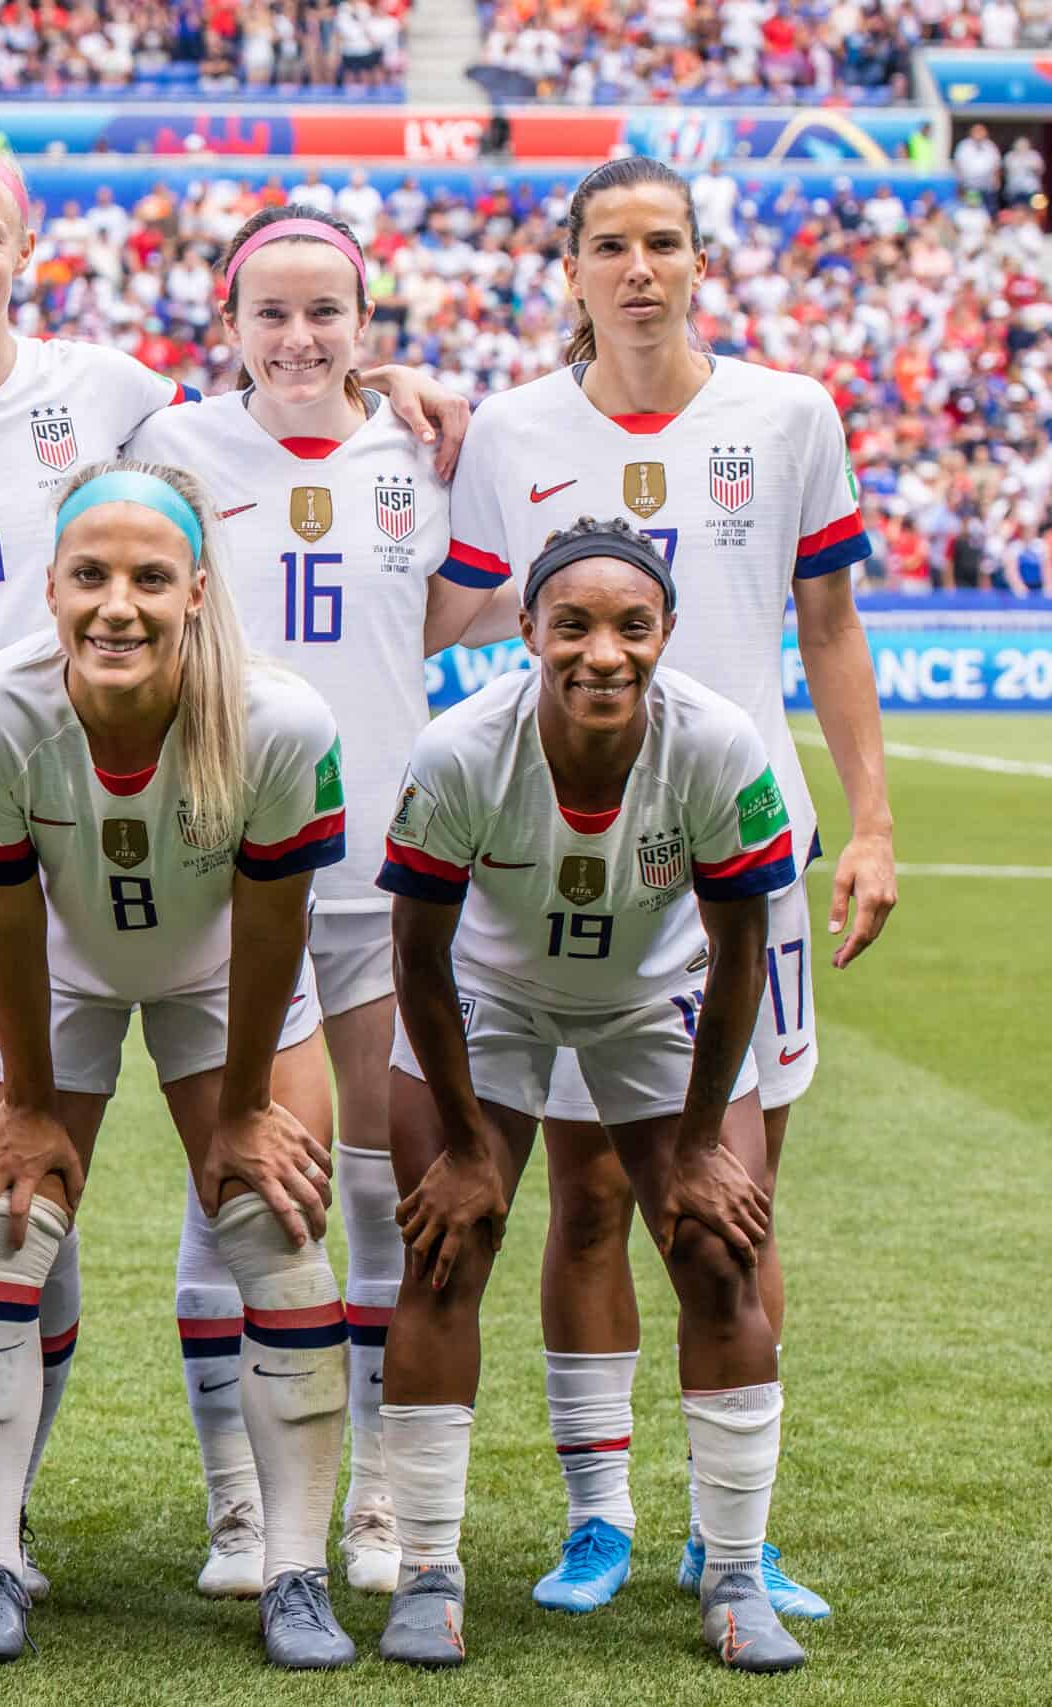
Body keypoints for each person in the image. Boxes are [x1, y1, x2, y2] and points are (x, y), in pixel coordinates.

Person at [0, 123, 470, 1597]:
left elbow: (278, 421)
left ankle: (266, 1524)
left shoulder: (121, 401)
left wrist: (383, 385)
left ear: (29, 251)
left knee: (264, 1180)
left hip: (157, 840)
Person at [445, 155, 893, 1620]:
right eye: (611, 246)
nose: (640, 267)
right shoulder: (513, 426)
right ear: (565, 268)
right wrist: (398, 442)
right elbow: (447, 595)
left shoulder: (788, 413)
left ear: (703, 261)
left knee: (736, 1200)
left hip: (743, 858)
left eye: (666, 243)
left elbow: (829, 623)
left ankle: (729, 1530)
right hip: (574, 860)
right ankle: (598, 1516)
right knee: (581, 1201)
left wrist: (871, 822)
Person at [125, 203, 505, 1600]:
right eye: (270, 313)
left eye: (325, 312)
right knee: (239, 1187)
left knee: (381, 1192)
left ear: (367, 324)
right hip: (228, 869)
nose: (298, 337)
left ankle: (382, 1507)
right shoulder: (171, 449)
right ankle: (240, 1508)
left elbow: (456, 613)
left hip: (386, 876)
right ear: (227, 324)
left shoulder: (420, 450)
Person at [0, 458, 353, 1669]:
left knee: (275, 1219)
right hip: (46, 970)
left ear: (197, 592)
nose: (118, 605)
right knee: (8, 1222)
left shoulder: (279, 721)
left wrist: (248, 1107)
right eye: (91, 576)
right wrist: (29, 1101)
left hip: (221, 974)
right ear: (47, 586)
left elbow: (274, 921)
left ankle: (295, 1569)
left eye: (150, 579)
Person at [375, 518, 804, 1674]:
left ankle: (731, 1572)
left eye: (630, 626)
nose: (601, 652)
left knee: (715, 1250)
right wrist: (466, 1145)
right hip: (490, 993)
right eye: (571, 625)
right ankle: (425, 1572)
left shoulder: (715, 745)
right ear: (526, 632)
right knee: (444, 1246)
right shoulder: (462, 748)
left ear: (665, 633)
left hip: (651, 999)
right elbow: (415, 952)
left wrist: (709, 1141)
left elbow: (739, 944)